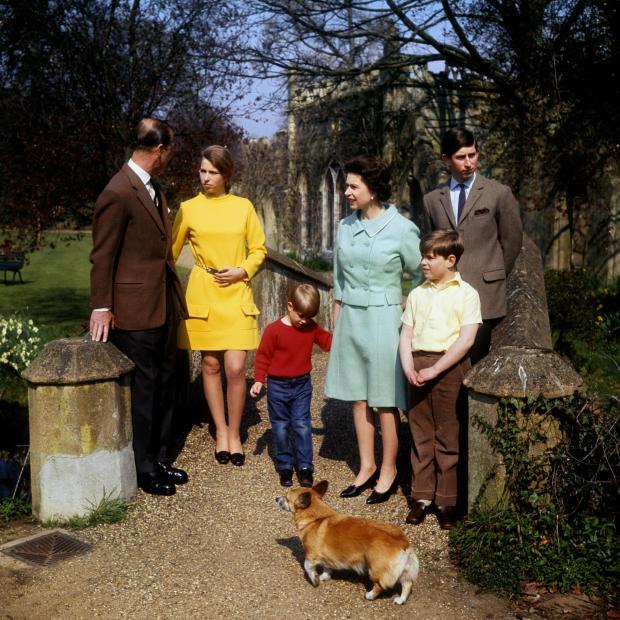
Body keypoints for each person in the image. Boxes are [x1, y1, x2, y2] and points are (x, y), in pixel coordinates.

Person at [89, 118, 189, 496]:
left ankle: (160, 457)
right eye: (170, 150)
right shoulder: (118, 191)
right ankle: (143, 468)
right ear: (159, 150)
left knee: (164, 382)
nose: (170, 156)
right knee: (144, 390)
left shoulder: (154, 187)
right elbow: (102, 255)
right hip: (133, 310)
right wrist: (101, 306)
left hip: (161, 304)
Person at [325, 154, 422, 505]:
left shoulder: (401, 228)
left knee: (385, 399)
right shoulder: (344, 226)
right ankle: (366, 467)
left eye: (353, 186)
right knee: (358, 396)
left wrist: (410, 305)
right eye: (346, 186)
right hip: (351, 316)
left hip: (384, 318)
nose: (347, 192)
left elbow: (422, 271)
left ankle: (389, 469)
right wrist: (336, 314)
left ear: (373, 189)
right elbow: (337, 275)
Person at [172, 145, 266, 466]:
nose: (206, 177)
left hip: (237, 291)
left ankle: (236, 430)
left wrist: (243, 270)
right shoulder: (188, 208)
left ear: (226, 175)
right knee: (210, 366)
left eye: (213, 172)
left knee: (236, 368)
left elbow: (259, 249)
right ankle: (222, 430)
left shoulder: (243, 207)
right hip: (204, 291)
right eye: (202, 171)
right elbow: (169, 254)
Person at [399, 230, 481, 529]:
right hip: (418, 365)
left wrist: (436, 369)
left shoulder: (467, 293)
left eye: (430, 257)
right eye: (423, 256)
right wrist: (409, 366)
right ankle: (421, 498)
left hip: (450, 367)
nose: (423, 262)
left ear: (450, 260)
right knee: (421, 433)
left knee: (448, 434)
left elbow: (466, 339)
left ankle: (447, 501)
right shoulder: (418, 293)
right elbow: (406, 334)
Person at [423, 127, 523, 363]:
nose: (469, 163)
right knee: (446, 364)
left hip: (484, 295)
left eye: (473, 154)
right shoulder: (432, 200)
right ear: (446, 159)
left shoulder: (499, 193)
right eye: (460, 157)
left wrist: (494, 274)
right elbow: (431, 245)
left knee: (475, 364)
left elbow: (512, 241)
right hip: (445, 295)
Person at [249, 284, 332, 488]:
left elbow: (329, 343)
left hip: (302, 384)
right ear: (290, 306)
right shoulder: (273, 330)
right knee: (280, 426)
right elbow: (263, 357)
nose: (304, 321)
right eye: (301, 315)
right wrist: (259, 380)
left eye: (309, 317)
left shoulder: (311, 327)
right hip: (277, 385)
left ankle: (305, 467)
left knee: (302, 425)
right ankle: (285, 465)